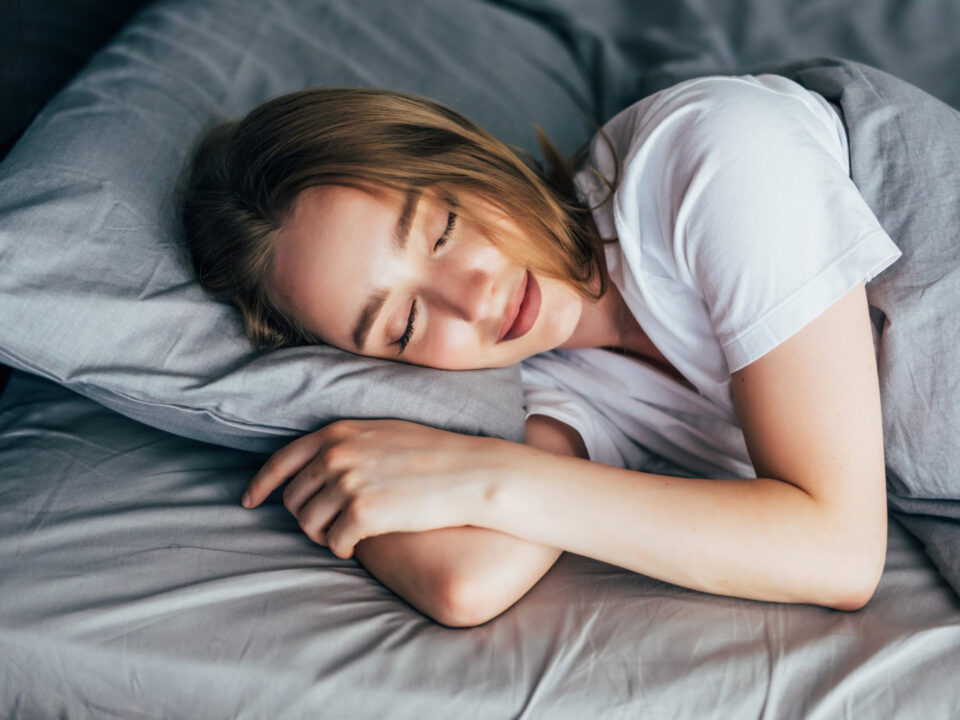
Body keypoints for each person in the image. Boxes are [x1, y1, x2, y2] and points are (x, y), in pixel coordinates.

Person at [178, 76, 902, 627]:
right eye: (402, 325)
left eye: (443, 228)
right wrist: (337, 448)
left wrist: (490, 477)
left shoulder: (713, 152)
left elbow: (839, 551)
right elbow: (466, 579)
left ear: (465, 151)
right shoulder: (561, 382)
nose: (473, 299)